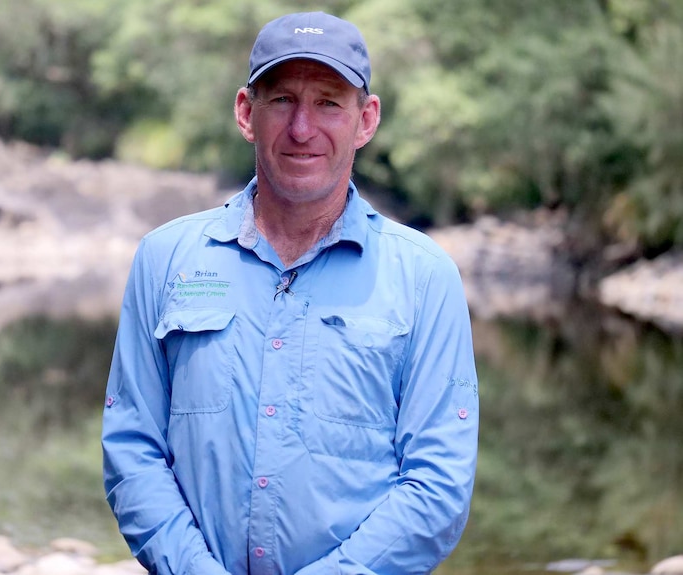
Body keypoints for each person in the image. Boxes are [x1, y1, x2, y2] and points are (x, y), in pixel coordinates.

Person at [102, 11, 479, 575]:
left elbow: (438, 484)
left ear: (366, 119)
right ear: (245, 113)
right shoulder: (165, 260)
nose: (303, 128)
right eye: (281, 101)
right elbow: (132, 449)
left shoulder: (426, 277)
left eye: (328, 102)